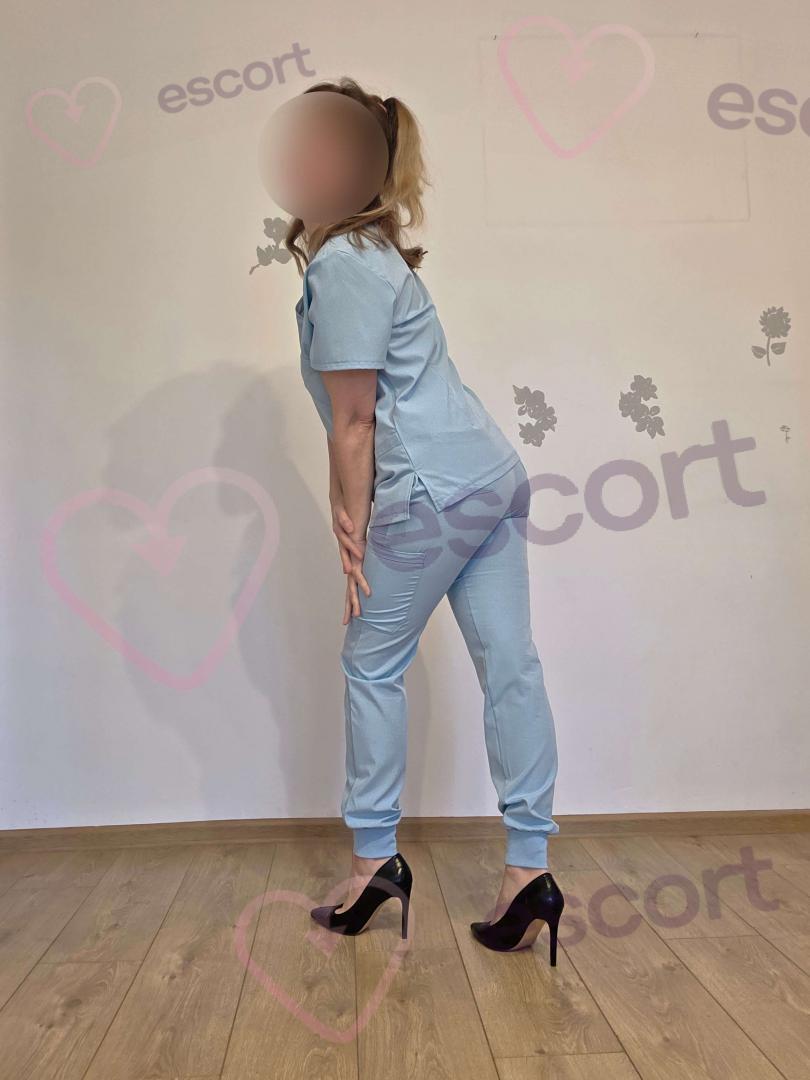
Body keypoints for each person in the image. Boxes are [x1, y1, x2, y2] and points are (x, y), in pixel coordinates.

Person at [275, 78, 564, 957]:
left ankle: (373, 863)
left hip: (432, 492)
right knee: (511, 663)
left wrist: (350, 526)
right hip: (490, 475)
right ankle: (529, 872)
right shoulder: (376, 255)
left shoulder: (343, 263)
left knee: (370, 663)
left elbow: (355, 422)